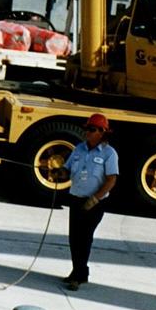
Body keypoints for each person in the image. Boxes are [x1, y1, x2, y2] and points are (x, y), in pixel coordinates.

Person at [62, 113, 118, 291]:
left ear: (102, 132)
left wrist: (95, 199)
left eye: (92, 129)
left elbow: (111, 180)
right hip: (76, 199)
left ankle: (78, 276)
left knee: (84, 238)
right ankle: (79, 271)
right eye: (87, 129)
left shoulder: (109, 154)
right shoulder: (79, 149)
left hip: (94, 203)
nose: (88, 132)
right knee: (74, 238)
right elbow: (67, 169)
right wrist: (59, 173)